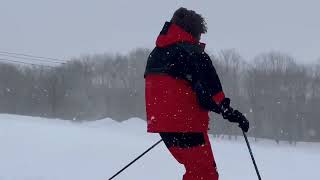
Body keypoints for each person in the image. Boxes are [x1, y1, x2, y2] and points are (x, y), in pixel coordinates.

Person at [144, 7, 249, 180]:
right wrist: (230, 113)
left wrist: (168, 123)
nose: (200, 39)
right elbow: (211, 93)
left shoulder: (156, 54)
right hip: (187, 126)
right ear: (193, 32)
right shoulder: (193, 53)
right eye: (199, 34)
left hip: (163, 127)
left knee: (197, 172)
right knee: (204, 175)